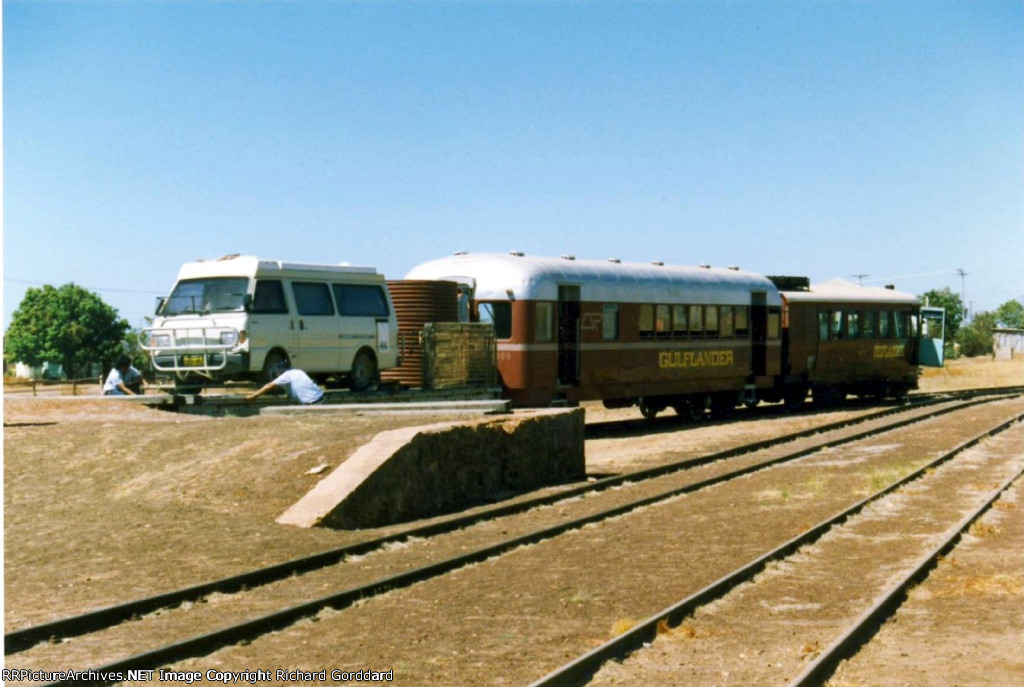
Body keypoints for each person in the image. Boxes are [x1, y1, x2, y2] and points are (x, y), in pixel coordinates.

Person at [246, 361, 325, 405]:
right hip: (321, 399)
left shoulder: (287, 374)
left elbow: (269, 386)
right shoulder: (298, 372)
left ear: (279, 373)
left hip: (314, 404)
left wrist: (254, 395)